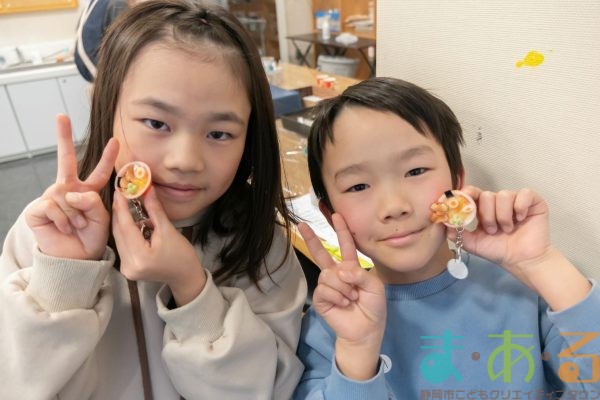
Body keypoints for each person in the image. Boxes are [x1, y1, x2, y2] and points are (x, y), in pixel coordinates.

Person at [0, 1, 307, 399]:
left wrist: (191, 288)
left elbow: (268, 389)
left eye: (219, 133)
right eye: (157, 123)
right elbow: (16, 383)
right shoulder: (46, 230)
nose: (185, 161)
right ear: (109, 110)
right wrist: (64, 275)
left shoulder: (262, 244)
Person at [293, 77, 599, 399]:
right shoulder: (332, 324)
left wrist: (541, 263)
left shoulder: (524, 292)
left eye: (415, 171)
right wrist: (357, 354)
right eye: (358, 186)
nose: (394, 207)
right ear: (331, 214)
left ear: (457, 180)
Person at [74, 0, 130, 82]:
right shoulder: (118, 4)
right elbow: (128, 46)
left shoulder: (94, 4)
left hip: (91, 71)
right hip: (106, 73)